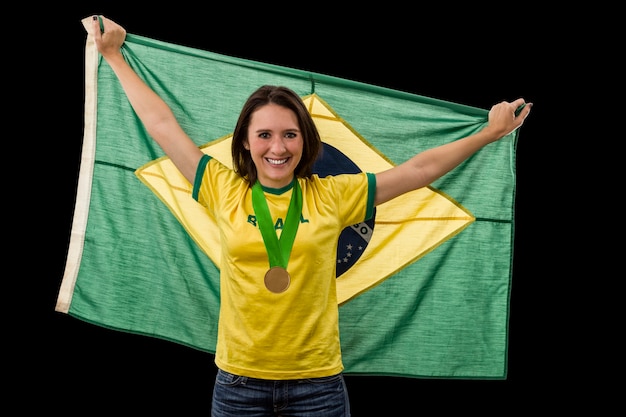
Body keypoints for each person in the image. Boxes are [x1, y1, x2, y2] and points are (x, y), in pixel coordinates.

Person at [91, 15, 532, 417]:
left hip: (317, 387)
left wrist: (489, 133)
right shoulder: (223, 189)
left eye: (289, 134)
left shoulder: (333, 195)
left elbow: (418, 171)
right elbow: (162, 126)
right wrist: (113, 54)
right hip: (238, 384)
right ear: (245, 142)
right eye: (264, 135)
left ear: (305, 141)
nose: (277, 148)